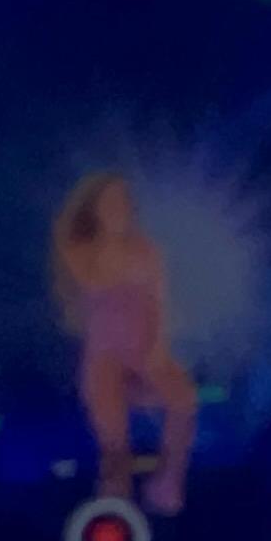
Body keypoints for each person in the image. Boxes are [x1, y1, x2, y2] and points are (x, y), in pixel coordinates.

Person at [50, 172, 199, 515]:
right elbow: (89, 282)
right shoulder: (81, 251)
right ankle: (114, 507)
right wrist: (112, 245)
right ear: (96, 208)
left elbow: (160, 305)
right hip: (104, 356)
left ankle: (167, 483)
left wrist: (156, 350)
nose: (119, 208)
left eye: (123, 201)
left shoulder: (148, 250)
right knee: (115, 445)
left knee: (183, 401)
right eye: (110, 201)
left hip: (145, 350)